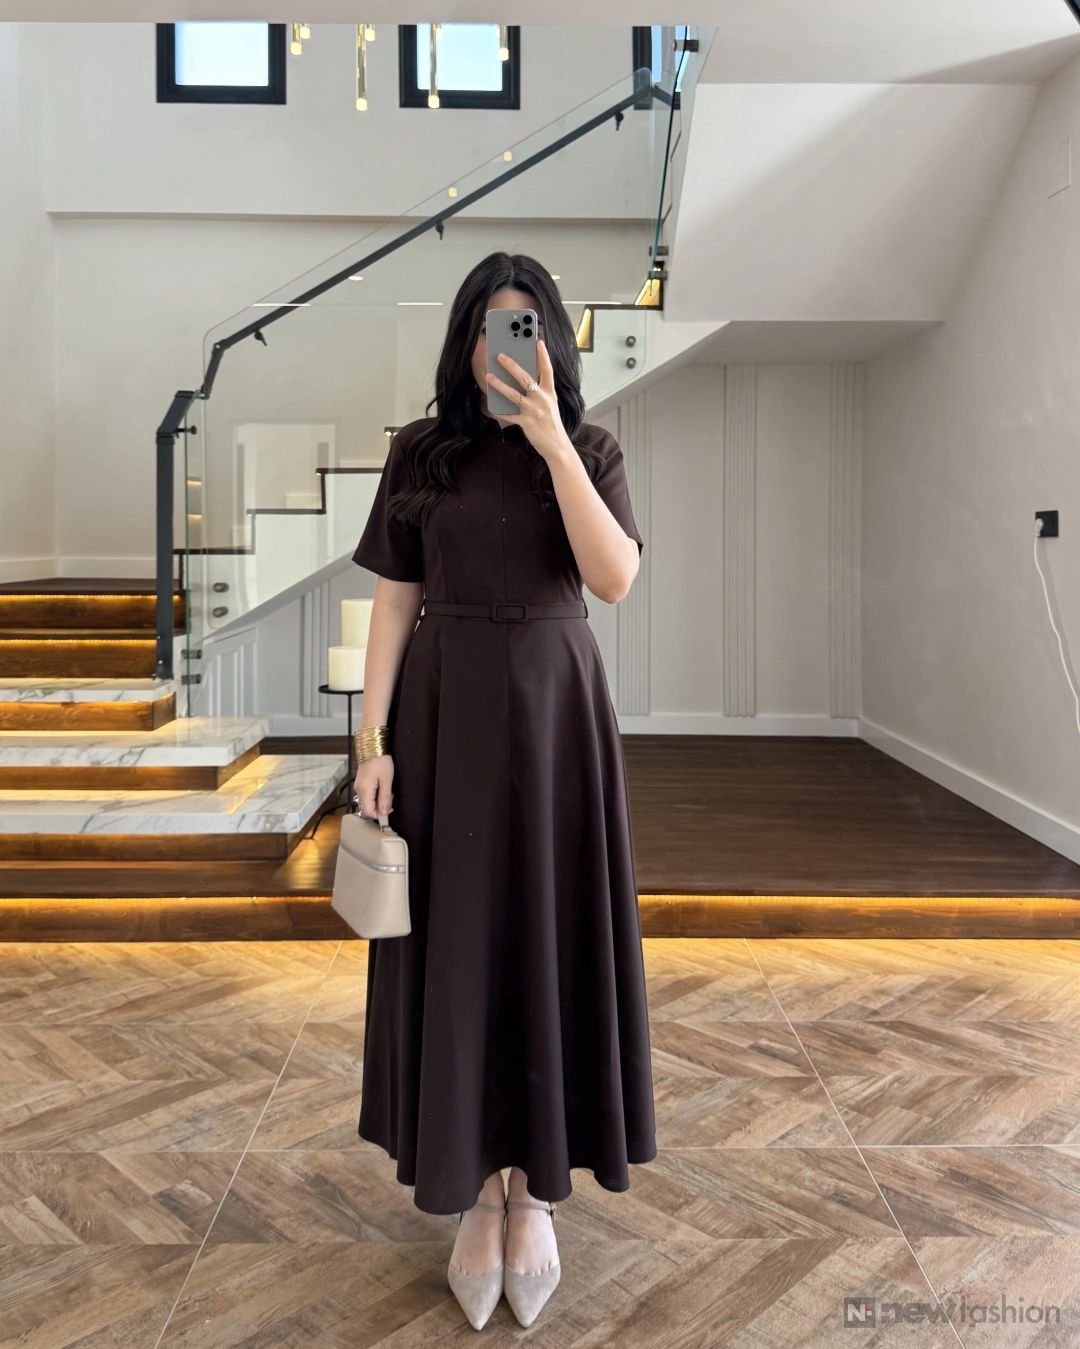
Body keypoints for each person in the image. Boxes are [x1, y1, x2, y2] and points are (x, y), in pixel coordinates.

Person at [350, 251, 656, 1330]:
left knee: (547, 937)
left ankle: (537, 1192)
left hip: (557, 718)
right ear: (466, 340)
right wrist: (371, 740)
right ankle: (479, 1192)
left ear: (553, 342)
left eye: (524, 324)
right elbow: (395, 601)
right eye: (489, 324)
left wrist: (555, 442)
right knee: (462, 943)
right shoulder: (420, 450)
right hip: (443, 718)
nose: (504, 344)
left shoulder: (591, 449)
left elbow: (612, 578)